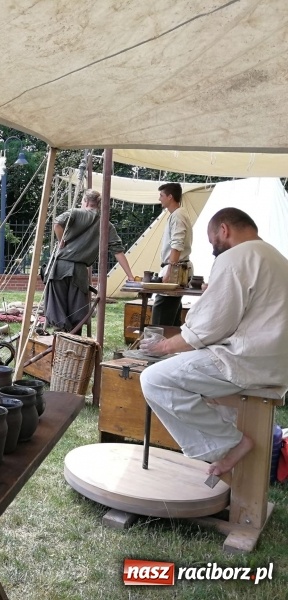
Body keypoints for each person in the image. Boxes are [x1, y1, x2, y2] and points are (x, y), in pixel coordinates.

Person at [140, 208, 288, 478]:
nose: (213, 249)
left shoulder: (236, 257)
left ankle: (229, 444)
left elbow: (210, 326)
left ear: (224, 229)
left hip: (246, 362)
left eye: (212, 241)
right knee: (193, 374)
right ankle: (232, 441)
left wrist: (162, 348)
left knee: (154, 379)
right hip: (277, 363)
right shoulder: (276, 257)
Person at [43, 189, 135, 333]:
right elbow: (118, 251)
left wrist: (61, 241)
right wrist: (130, 276)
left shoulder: (76, 212)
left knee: (57, 307)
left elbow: (57, 223)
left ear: (85, 201)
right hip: (79, 271)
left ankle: (59, 339)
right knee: (76, 310)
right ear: (98, 204)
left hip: (60, 267)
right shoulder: (107, 225)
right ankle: (74, 339)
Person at [151, 182, 192, 327]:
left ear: (170, 197)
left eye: (161, 195)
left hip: (176, 269)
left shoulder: (178, 215)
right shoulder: (176, 214)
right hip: (176, 268)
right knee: (171, 314)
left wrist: (170, 270)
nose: (159, 198)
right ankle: (170, 345)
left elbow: (177, 244)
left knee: (161, 314)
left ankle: (158, 346)